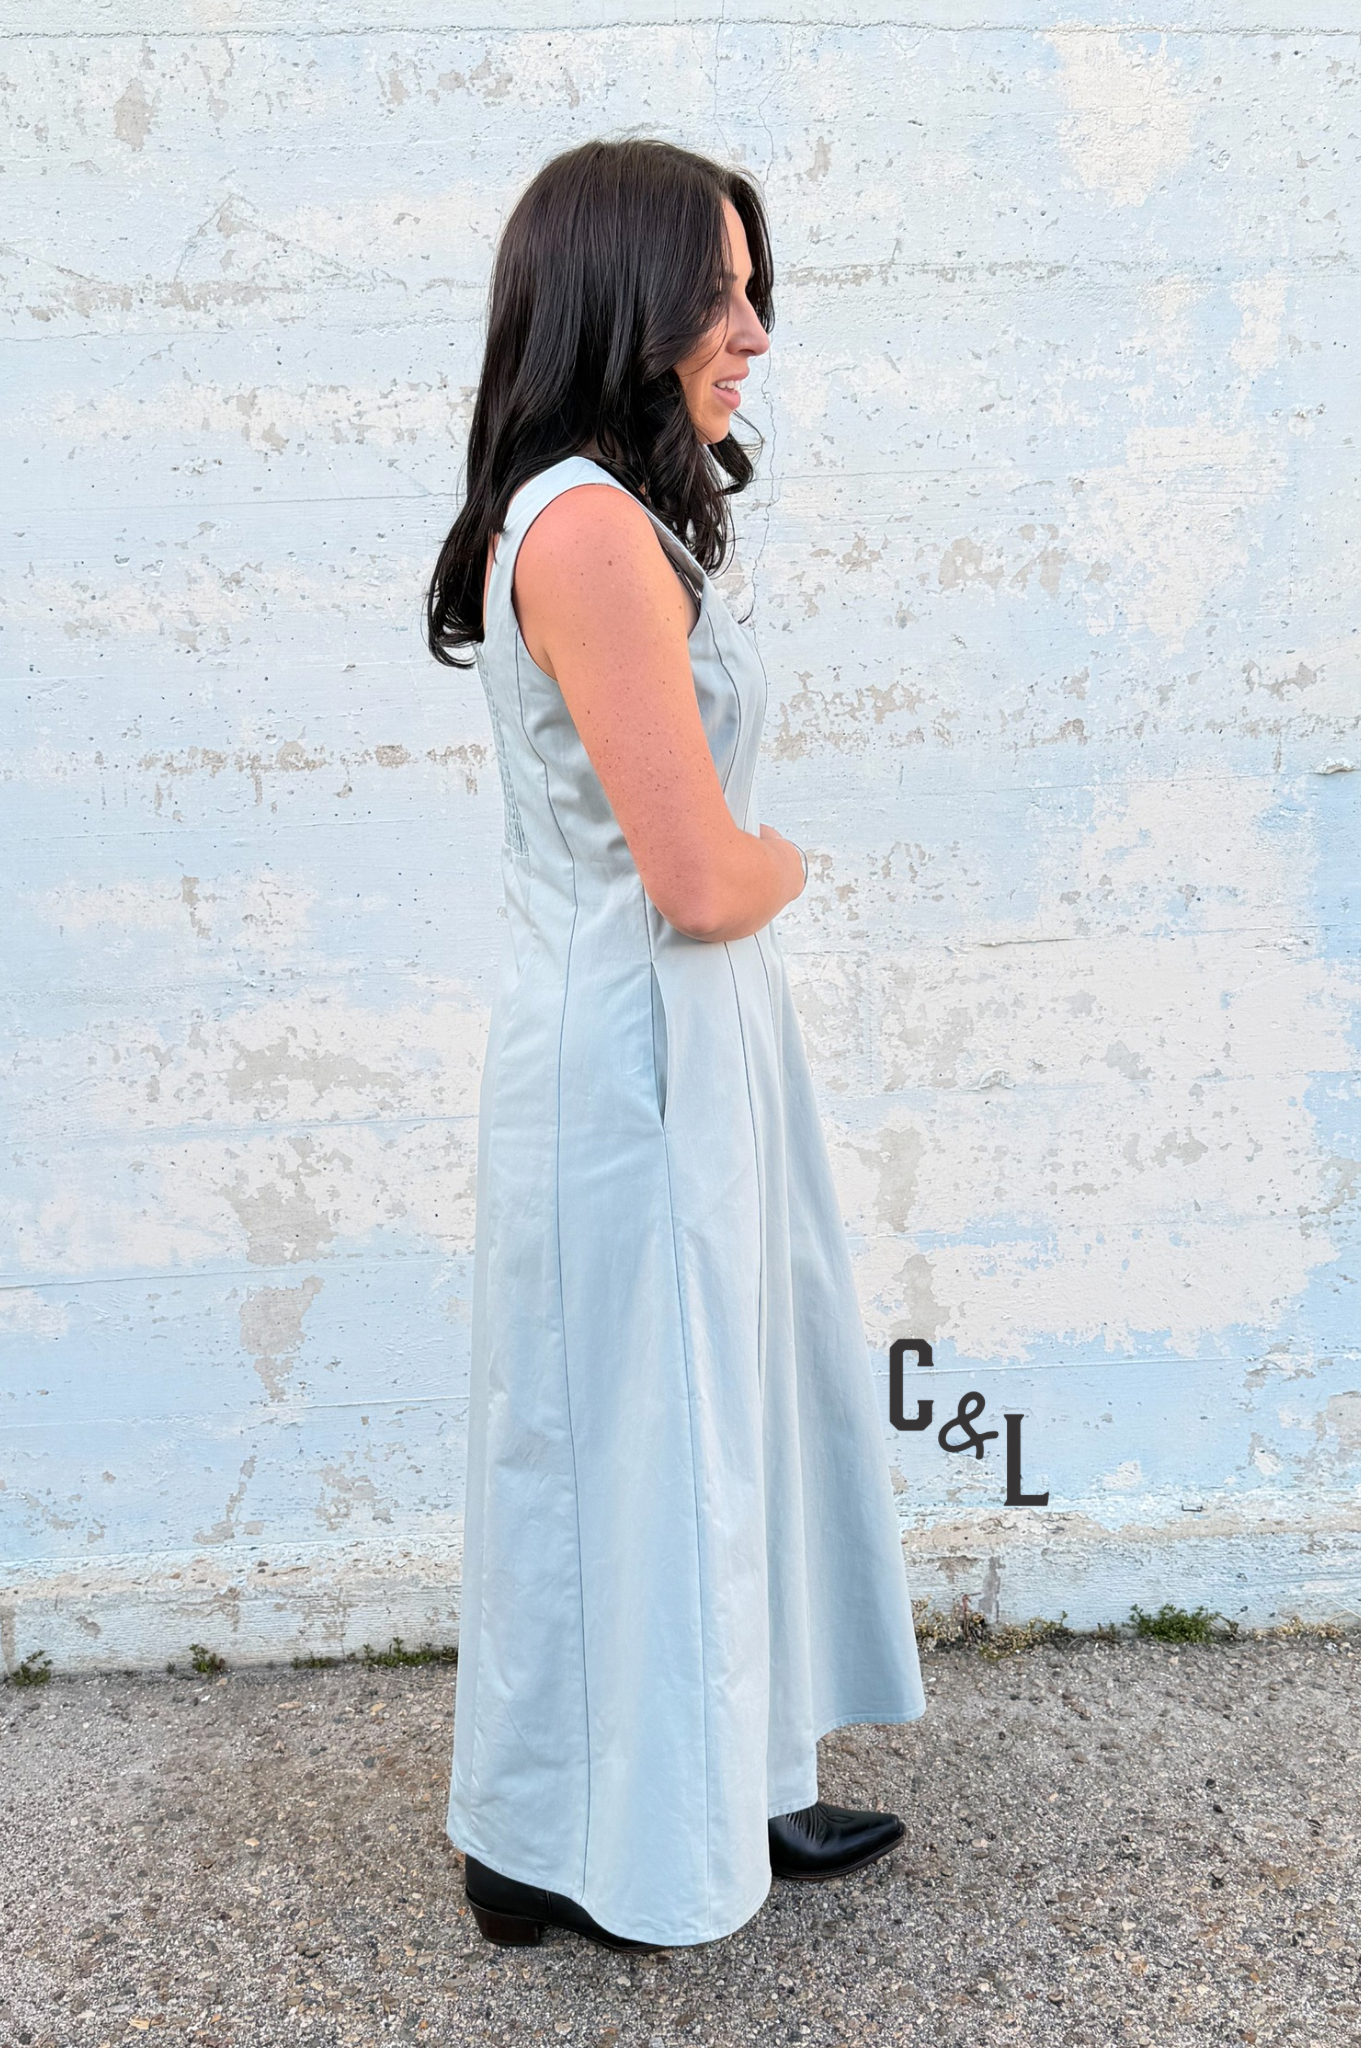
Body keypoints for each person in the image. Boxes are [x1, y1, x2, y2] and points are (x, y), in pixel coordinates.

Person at [424, 137, 926, 1954]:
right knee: (631, 1437)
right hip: (637, 1043)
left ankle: (694, 1784)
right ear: (623, 301)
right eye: (718, 291)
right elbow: (704, 875)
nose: (754, 330)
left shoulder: (598, 516)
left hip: (671, 1043)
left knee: (698, 1423)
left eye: (752, 286)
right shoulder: (583, 530)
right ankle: (567, 1838)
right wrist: (797, 859)